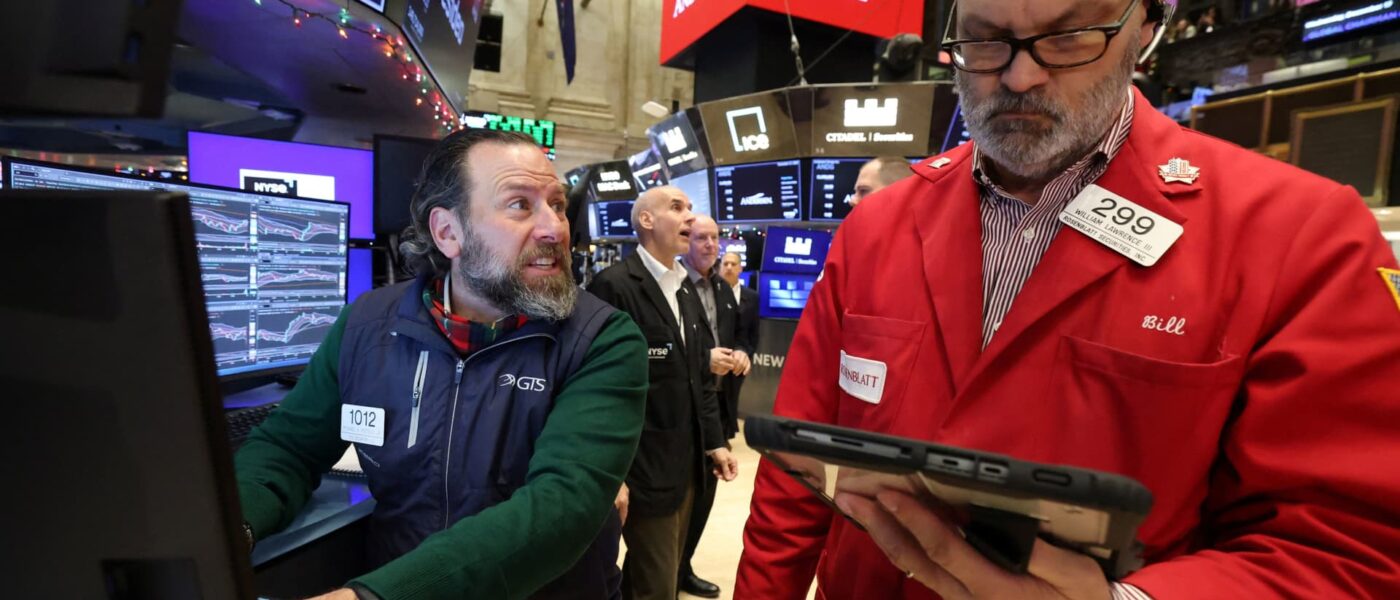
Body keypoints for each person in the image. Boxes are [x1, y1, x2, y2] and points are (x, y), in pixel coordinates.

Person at [737, 0, 1400, 598]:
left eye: (1070, 36)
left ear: (1145, 26)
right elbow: (796, 472)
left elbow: (1345, 548)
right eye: (986, 40)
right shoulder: (876, 227)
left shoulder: (1301, 236)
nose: (1020, 77)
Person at [234, 129, 649, 600]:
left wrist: (375, 597)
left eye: (557, 204)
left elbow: (560, 508)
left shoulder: (602, 340)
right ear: (448, 233)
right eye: (520, 205)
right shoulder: (368, 326)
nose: (555, 227)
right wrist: (230, 530)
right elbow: (288, 447)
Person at [586, 186, 740, 600]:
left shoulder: (683, 288)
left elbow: (698, 378)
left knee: (660, 577)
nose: (690, 216)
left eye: (690, 207)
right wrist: (610, 474)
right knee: (656, 587)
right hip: (642, 468)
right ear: (646, 220)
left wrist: (714, 442)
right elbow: (594, 389)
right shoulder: (615, 286)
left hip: (685, 465)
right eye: (677, 207)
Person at [675, 217, 753, 598]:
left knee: (706, 490)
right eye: (701, 237)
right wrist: (704, 358)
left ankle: (683, 566)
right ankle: (662, 568)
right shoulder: (674, 285)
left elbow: (738, 335)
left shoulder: (722, 287)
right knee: (678, 494)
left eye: (715, 237)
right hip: (681, 405)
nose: (710, 244)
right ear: (685, 241)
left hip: (716, 403)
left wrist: (741, 352)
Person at [718, 250, 760, 430]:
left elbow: (754, 331)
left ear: (740, 268)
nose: (729, 267)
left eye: (733, 264)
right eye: (725, 264)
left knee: (732, 395)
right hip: (718, 354)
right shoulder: (710, 292)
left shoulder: (752, 297)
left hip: (740, 356)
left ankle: (727, 432)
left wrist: (748, 354)